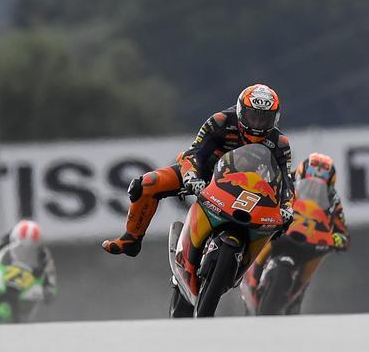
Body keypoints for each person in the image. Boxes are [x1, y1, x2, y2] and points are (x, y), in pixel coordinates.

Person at [102, 83, 295, 257]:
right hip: (205, 175)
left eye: (264, 119)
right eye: (252, 117)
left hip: (249, 191)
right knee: (145, 184)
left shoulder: (280, 143)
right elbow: (194, 152)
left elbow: (286, 180)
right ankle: (131, 240)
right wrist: (191, 176)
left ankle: (247, 263)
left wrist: (287, 207)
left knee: (279, 228)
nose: (257, 124)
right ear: (240, 111)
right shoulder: (220, 121)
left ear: (275, 119)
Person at [242, 153, 349, 314]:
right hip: (284, 226)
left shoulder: (333, 200)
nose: (313, 190)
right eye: (307, 184)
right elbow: (263, 193)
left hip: (310, 238)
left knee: (321, 253)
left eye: (321, 188)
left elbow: (340, 228)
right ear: (299, 176)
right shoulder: (284, 180)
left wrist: (338, 238)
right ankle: (252, 275)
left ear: (329, 186)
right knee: (263, 236)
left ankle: (298, 290)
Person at [0, 219, 58, 307]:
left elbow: (50, 273)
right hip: (4, 274)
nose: (25, 252)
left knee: (36, 299)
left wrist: (49, 288)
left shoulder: (43, 253)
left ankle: (25, 317)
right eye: (21, 247)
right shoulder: (3, 243)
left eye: (30, 249)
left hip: (27, 281)